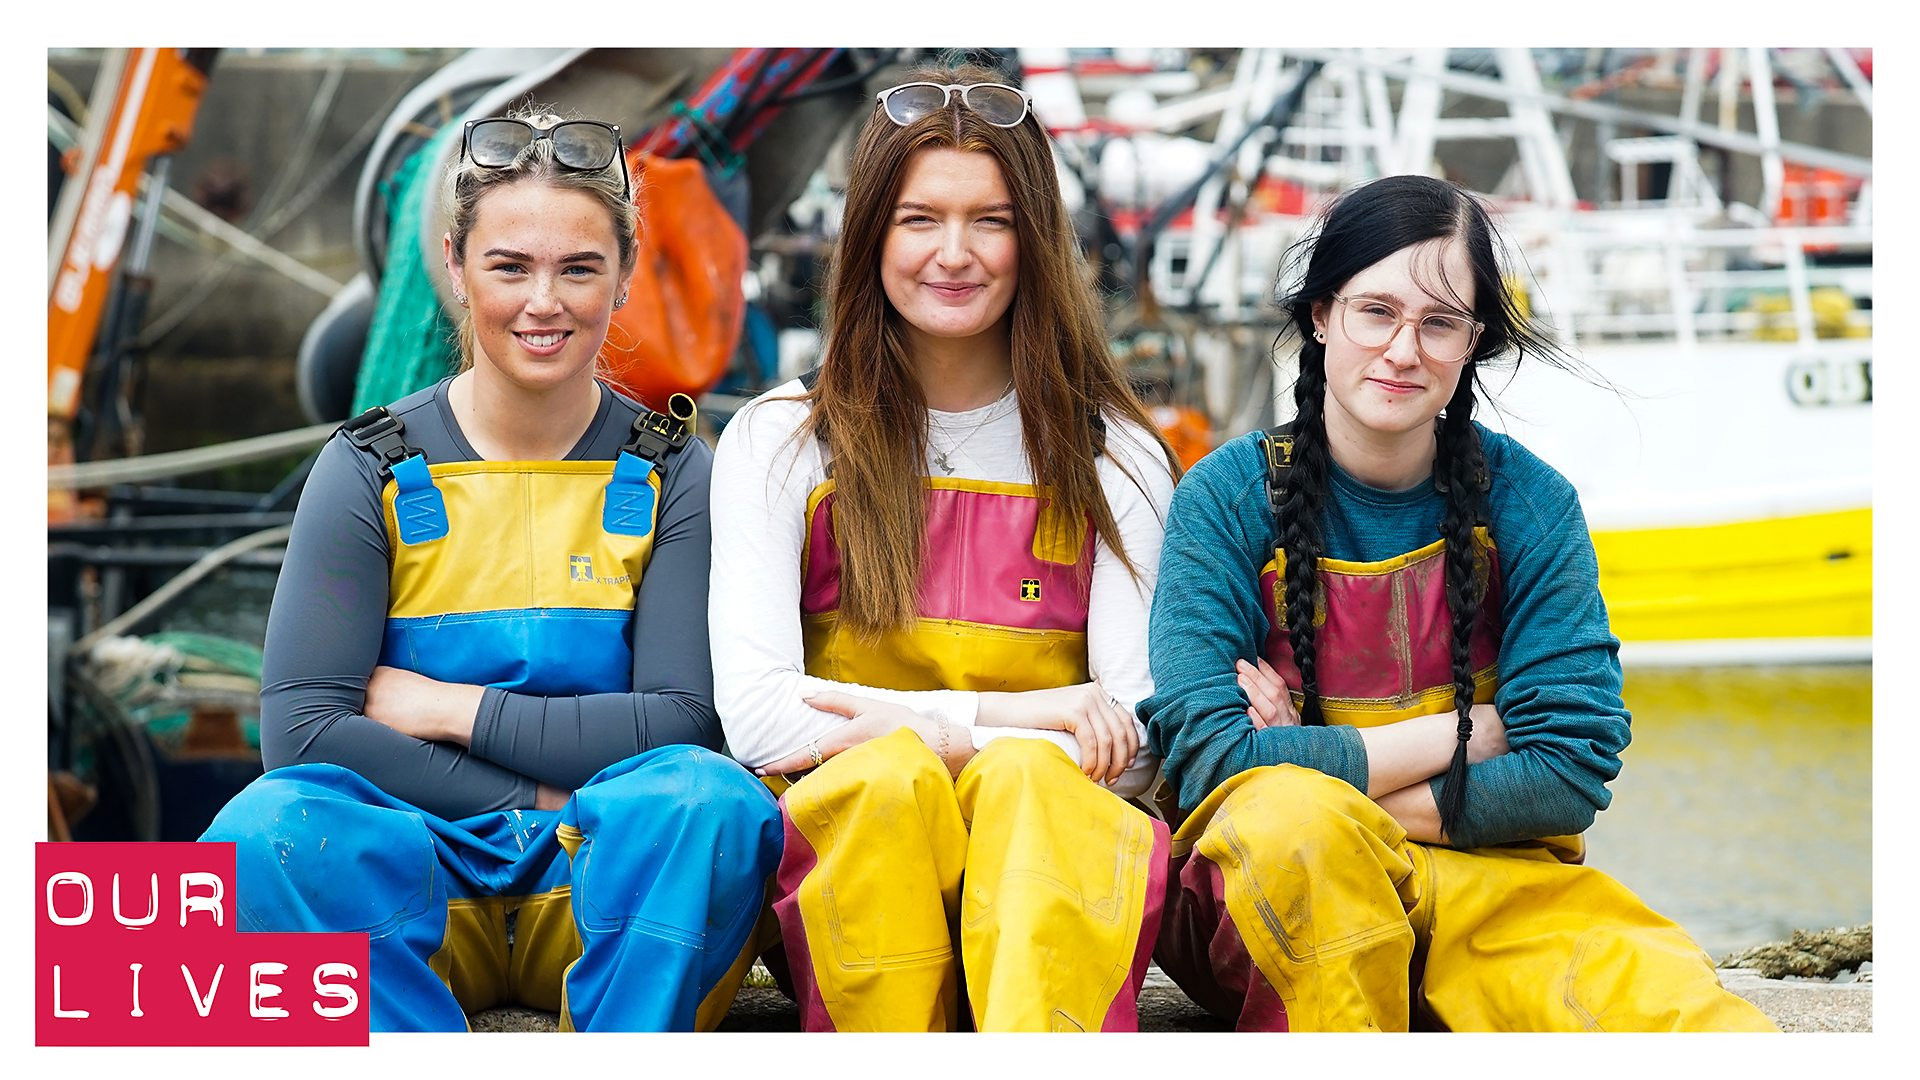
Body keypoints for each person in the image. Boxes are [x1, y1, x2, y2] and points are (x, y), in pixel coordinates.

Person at [1140, 174, 1776, 1032]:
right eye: (1376, 312)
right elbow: (1208, 763)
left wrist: (1293, 756)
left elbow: (1569, 770)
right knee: (1295, 822)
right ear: (1322, 315)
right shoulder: (1226, 497)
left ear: (1473, 342)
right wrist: (1469, 732)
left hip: (1493, 885)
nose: (1404, 351)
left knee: (1688, 1019)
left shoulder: (1530, 503)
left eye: (1439, 323)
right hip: (1272, 896)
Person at [201, 109, 782, 1032]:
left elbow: (681, 721)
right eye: (510, 266)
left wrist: (448, 709)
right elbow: (302, 735)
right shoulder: (366, 467)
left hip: (594, 885)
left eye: (579, 268)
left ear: (626, 274)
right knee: (263, 829)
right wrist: (537, 794)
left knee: (712, 804)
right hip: (418, 888)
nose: (543, 302)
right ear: (455, 264)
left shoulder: (675, 471)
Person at [709, 65, 1181, 1032]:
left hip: (1053, 886)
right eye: (919, 219)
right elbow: (757, 721)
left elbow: (1136, 743)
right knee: (890, 780)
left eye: (991, 221)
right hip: (860, 887)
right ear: (870, 235)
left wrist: (958, 741)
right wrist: (1015, 717)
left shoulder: (1118, 456)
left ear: (1035, 238)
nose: (954, 254)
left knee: (1025, 781)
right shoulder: (781, 440)